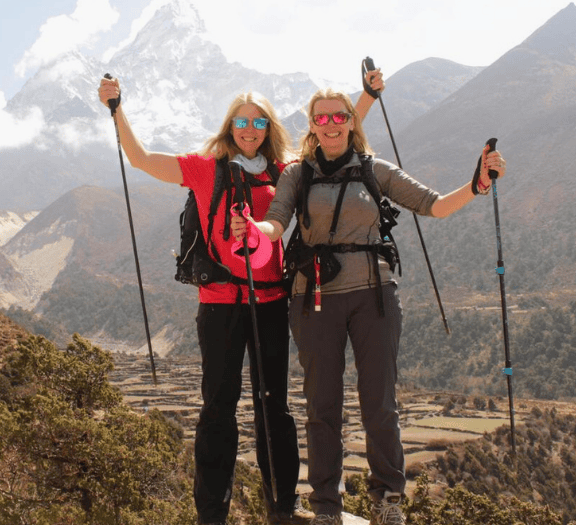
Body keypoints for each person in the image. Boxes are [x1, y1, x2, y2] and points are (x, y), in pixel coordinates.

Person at [97, 73, 379, 525]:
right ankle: (212, 515)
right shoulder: (204, 168)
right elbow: (141, 159)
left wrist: (366, 96)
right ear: (230, 126)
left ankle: (283, 509)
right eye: (242, 122)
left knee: (275, 409)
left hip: (270, 303)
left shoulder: (285, 168)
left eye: (259, 123)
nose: (250, 130)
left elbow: (334, 133)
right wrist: (116, 109)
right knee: (218, 410)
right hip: (221, 305)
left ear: (269, 129)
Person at [232, 82, 506, 525]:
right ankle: (326, 507)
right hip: (313, 297)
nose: (331, 124)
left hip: (375, 296)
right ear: (312, 127)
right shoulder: (297, 175)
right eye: (321, 118)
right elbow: (275, 222)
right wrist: (253, 228)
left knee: (379, 401)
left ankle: (387, 500)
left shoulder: (375, 169)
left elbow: (432, 206)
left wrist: (478, 184)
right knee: (322, 405)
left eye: (339, 116)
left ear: (351, 122)